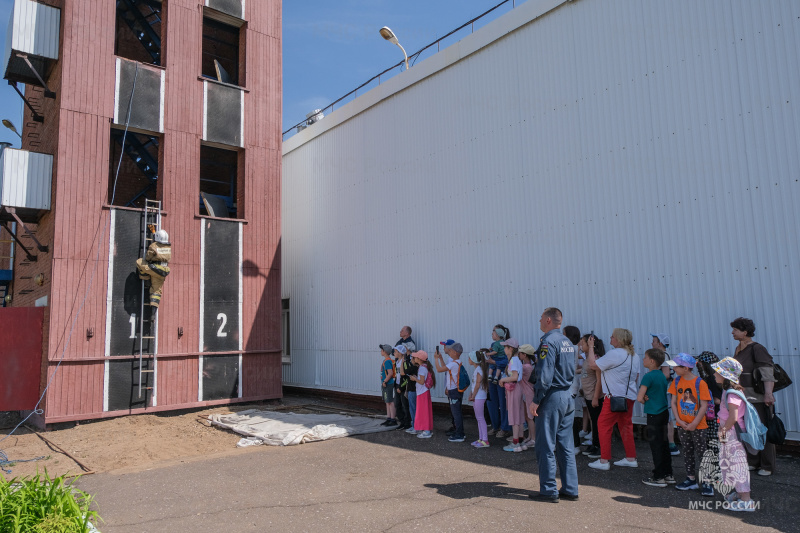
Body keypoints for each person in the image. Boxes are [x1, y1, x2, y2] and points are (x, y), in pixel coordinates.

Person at [528, 307, 579, 503]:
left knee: (545, 445)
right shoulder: (567, 341)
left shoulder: (548, 343)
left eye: (541, 317)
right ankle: (570, 488)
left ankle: (549, 490)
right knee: (566, 445)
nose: (539, 320)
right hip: (567, 396)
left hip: (551, 397)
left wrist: (536, 400)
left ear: (549, 320)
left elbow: (545, 376)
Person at [587, 328, 641, 471]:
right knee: (626, 426)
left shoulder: (614, 354)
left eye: (612, 337)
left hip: (613, 397)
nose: (610, 338)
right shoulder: (634, 355)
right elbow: (636, 377)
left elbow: (593, 365)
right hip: (629, 396)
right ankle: (630, 458)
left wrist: (591, 347)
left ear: (618, 339)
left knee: (603, 425)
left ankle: (604, 461)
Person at [730, 317, 776, 476]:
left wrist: (768, 394)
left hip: (757, 397)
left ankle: (767, 465)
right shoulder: (738, 349)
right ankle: (753, 462)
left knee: (761, 429)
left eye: (735, 329)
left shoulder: (757, 348)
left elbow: (767, 371)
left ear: (745, 331)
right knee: (747, 430)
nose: (732, 332)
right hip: (742, 396)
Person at [712, 357, 756, 512]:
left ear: (725, 375)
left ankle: (746, 500)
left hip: (732, 433)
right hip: (728, 431)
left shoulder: (732, 394)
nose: (714, 374)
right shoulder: (729, 390)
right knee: (731, 463)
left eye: (717, 371)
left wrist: (723, 431)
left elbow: (733, 417)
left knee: (737, 465)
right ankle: (740, 493)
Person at [667, 353, 713, 496]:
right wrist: (679, 420)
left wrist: (694, 423)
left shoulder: (700, 383)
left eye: (676, 366)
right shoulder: (676, 382)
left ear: (686, 368)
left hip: (698, 426)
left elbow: (704, 406)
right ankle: (691, 479)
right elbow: (673, 403)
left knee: (702, 453)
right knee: (687, 452)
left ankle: (707, 482)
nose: (673, 368)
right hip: (682, 425)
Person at [637, 348, 674, 487]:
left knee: (655, 446)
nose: (643, 359)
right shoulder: (662, 376)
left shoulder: (648, 376)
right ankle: (668, 474)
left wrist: (644, 399)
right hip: (664, 412)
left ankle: (658, 477)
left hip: (653, 414)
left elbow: (640, 397)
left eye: (645, 357)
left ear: (651, 361)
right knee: (664, 444)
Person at [696, 352, 723, 493]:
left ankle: (710, 481)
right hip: (718, 419)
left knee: (711, 448)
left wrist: (705, 401)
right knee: (715, 448)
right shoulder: (716, 376)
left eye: (699, 362)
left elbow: (718, 400)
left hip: (713, 420)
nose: (697, 364)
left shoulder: (711, 379)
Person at [651, 333, 679, 456]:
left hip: (665, 390)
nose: (652, 343)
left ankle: (671, 445)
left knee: (667, 418)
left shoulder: (663, 356)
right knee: (666, 418)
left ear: (660, 343)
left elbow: (666, 374)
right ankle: (669, 443)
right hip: (665, 390)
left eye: (654, 341)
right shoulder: (663, 355)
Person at [578, 333, 604, 459]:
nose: (581, 345)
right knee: (594, 422)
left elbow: (599, 380)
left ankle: (599, 447)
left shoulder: (595, 358)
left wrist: (595, 397)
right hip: (587, 395)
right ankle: (594, 444)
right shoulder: (587, 357)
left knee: (597, 422)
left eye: (583, 343)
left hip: (594, 396)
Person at [434, 341, 466, 443]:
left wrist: (435, 359)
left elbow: (439, 369)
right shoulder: (457, 363)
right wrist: (441, 359)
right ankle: (459, 432)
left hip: (454, 392)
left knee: (456, 413)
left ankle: (459, 434)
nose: (449, 351)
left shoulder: (453, 364)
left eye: (451, 350)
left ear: (455, 352)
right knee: (457, 413)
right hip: (457, 391)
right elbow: (445, 369)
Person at [498, 338, 526, 452]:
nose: (504, 349)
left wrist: (503, 380)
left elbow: (514, 377)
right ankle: (521, 441)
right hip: (517, 388)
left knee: (514, 416)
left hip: (513, 389)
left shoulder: (513, 361)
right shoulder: (516, 360)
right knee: (518, 415)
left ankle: (515, 443)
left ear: (511, 348)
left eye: (505, 347)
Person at [484, 325, 512, 438]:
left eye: (494, 331)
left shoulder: (506, 345)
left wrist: (493, 362)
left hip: (502, 378)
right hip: (492, 379)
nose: (492, 333)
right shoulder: (493, 345)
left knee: (503, 403)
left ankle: (505, 428)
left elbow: (506, 361)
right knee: (492, 402)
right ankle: (495, 426)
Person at [135, 229, 171, 308]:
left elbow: (148, 257)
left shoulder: (154, 246)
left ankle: (146, 279)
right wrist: (154, 232)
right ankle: (153, 313)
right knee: (156, 291)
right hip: (164, 271)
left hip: (155, 268)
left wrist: (148, 260)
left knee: (139, 262)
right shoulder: (168, 247)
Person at [563, 325, 583, 452]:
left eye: (563, 333)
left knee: (568, 416)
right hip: (572, 384)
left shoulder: (570, 348)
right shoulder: (576, 348)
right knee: (568, 416)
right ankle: (572, 444)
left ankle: (575, 445)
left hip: (569, 386)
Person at [409, 351, 435, 439]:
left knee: (423, 412)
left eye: (415, 357)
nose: (414, 358)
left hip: (422, 392)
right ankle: (425, 430)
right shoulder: (424, 367)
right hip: (423, 392)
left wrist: (414, 379)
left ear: (419, 359)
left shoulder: (422, 368)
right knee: (424, 411)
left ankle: (426, 431)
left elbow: (421, 381)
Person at [467, 350, 490, 448]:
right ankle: (481, 439)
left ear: (473, 360)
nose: (468, 359)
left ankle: (485, 440)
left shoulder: (479, 370)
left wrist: (473, 395)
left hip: (479, 397)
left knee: (480, 418)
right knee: (479, 418)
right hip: (477, 396)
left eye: (469, 358)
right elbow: (474, 385)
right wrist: (471, 394)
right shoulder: (478, 369)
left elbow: (477, 385)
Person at [518, 344, 537, 449]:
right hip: (527, 393)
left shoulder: (525, 367)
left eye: (520, 353)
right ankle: (530, 436)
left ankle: (533, 438)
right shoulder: (529, 366)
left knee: (530, 417)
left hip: (528, 393)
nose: (519, 355)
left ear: (524, 355)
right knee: (528, 417)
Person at [399, 346, 420, 434]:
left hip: (412, 390)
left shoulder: (413, 368)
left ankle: (415, 426)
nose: (411, 358)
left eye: (412, 357)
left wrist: (402, 362)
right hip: (415, 390)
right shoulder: (418, 367)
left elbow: (402, 373)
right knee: (414, 408)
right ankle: (414, 425)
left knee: (413, 408)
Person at [393, 345, 411, 431]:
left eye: (395, 351)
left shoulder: (405, 362)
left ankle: (407, 423)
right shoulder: (396, 361)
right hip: (397, 385)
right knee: (397, 404)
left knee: (405, 405)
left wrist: (401, 387)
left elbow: (407, 377)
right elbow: (397, 375)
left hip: (402, 387)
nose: (394, 353)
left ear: (400, 353)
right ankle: (402, 422)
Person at [379, 344, 397, 426]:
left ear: (384, 352)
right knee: (387, 401)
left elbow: (390, 373)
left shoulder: (387, 361)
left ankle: (393, 419)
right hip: (386, 384)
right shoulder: (386, 360)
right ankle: (389, 418)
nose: (380, 351)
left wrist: (385, 382)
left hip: (388, 384)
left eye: (381, 350)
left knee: (390, 401)